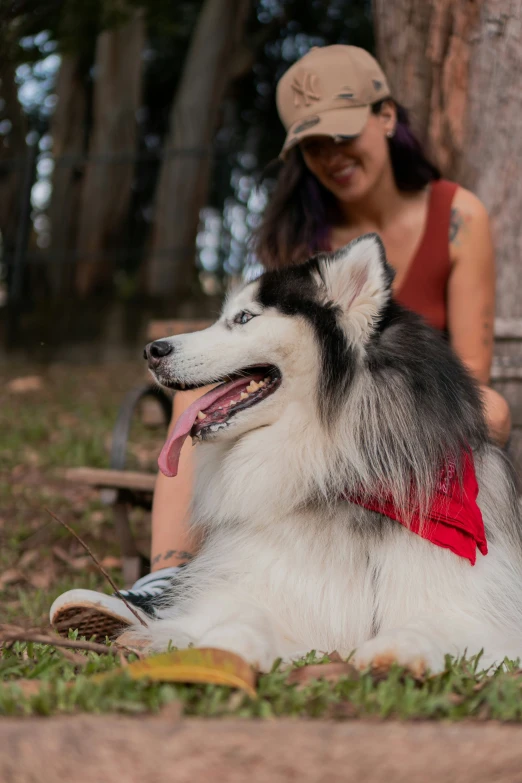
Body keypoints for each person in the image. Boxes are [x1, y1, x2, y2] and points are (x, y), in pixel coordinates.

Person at [50, 44, 511, 638]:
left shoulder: (458, 217)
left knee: (493, 408)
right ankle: (170, 578)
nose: (331, 156)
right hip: (313, 422)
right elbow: (267, 347)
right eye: (312, 144)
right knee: (197, 402)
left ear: (387, 117)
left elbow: (472, 371)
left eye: (343, 134)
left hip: (410, 409)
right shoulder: (297, 229)